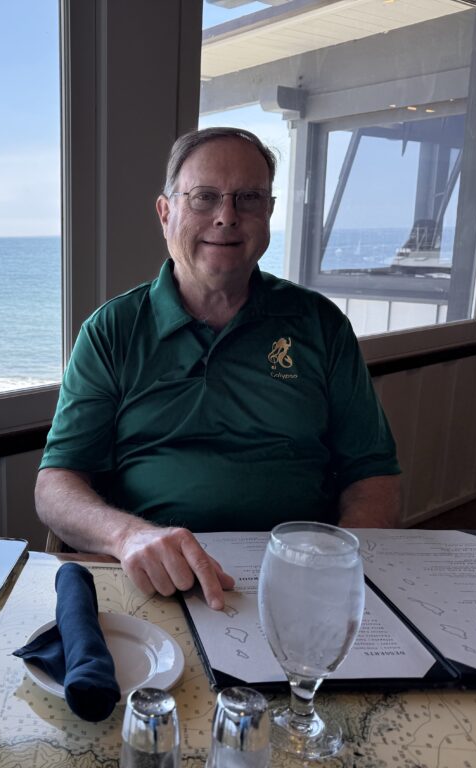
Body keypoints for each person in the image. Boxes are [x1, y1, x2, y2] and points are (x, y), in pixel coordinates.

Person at [35, 127, 401, 609]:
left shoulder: (321, 325)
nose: (227, 216)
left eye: (248, 198)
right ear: (165, 213)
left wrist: (334, 571)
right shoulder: (112, 330)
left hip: (299, 581)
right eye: (204, 197)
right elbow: (56, 484)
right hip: (156, 582)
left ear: (268, 213)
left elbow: (373, 474)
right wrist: (128, 537)